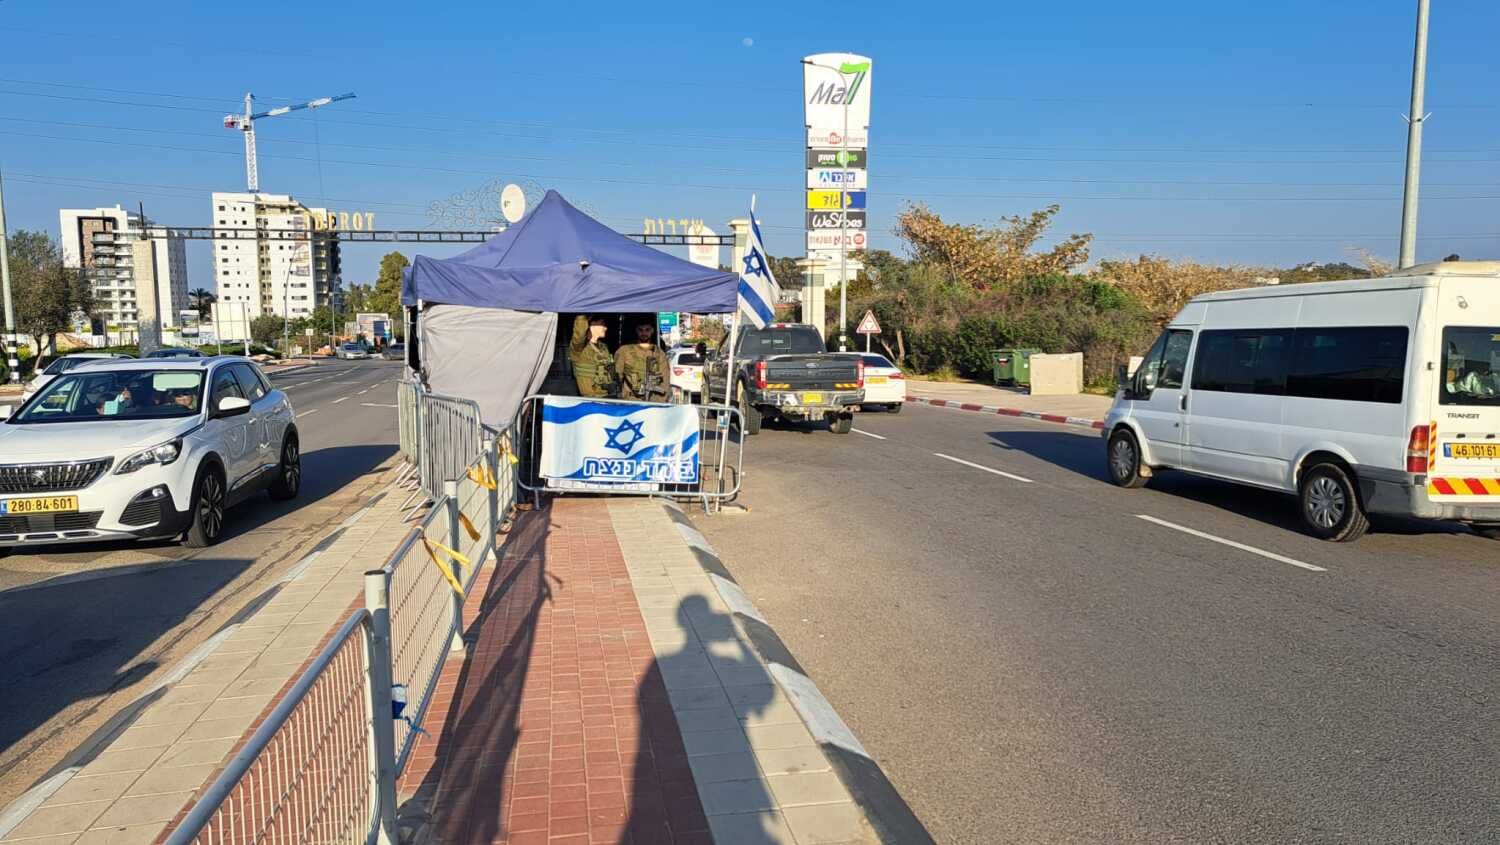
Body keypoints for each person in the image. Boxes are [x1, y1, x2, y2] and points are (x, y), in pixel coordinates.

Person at [615, 321, 671, 403]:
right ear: (636, 331)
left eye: (647, 330)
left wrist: (658, 402)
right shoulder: (624, 351)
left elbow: (665, 381)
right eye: (640, 330)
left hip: (653, 402)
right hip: (630, 402)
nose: (644, 333)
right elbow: (616, 377)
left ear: (652, 331)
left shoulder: (659, 354)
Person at [568, 314, 618, 398]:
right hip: (590, 399)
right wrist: (583, 315)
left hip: (608, 397)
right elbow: (579, 334)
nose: (605, 328)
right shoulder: (579, 349)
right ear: (592, 325)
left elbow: (611, 371)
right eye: (602, 324)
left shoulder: (604, 347)